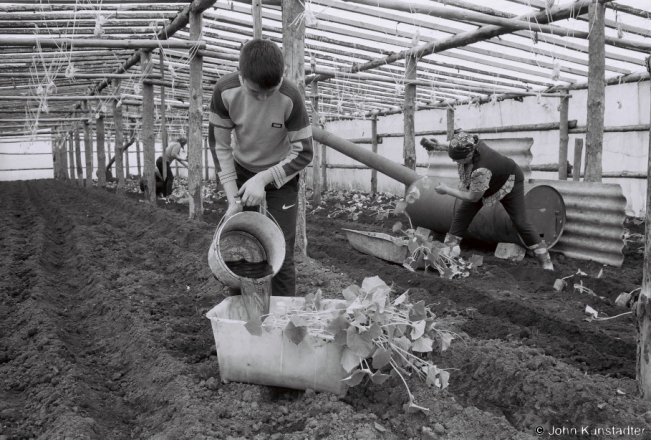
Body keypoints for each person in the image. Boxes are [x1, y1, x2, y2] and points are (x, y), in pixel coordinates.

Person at [209, 39, 314, 297]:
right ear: (241, 75)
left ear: (282, 77)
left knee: (282, 249)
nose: (264, 98)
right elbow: (220, 147)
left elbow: (304, 153)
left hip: (281, 174)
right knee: (239, 245)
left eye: (272, 90)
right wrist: (233, 197)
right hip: (242, 171)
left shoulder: (290, 97)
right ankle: (239, 313)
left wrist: (264, 179)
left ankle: (283, 321)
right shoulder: (224, 91)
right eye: (256, 92)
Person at [432, 132, 554, 270]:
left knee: (520, 223)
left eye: (457, 160)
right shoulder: (472, 143)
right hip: (487, 183)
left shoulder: (481, 170)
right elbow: (458, 147)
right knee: (461, 216)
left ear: (468, 156)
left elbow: (473, 197)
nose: (455, 162)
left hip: (509, 182)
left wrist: (446, 190)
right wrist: (440, 145)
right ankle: (449, 256)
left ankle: (546, 262)